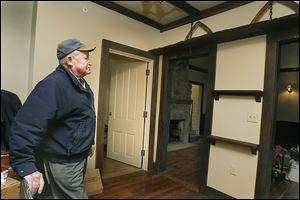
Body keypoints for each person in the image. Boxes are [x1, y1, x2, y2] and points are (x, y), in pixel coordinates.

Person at [9, 38, 97, 199]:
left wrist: (89, 141)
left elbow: (81, 118)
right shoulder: (53, 85)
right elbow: (25, 126)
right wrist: (25, 166)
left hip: (78, 154)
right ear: (70, 60)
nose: (90, 62)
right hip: (65, 160)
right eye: (86, 58)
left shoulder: (81, 83)